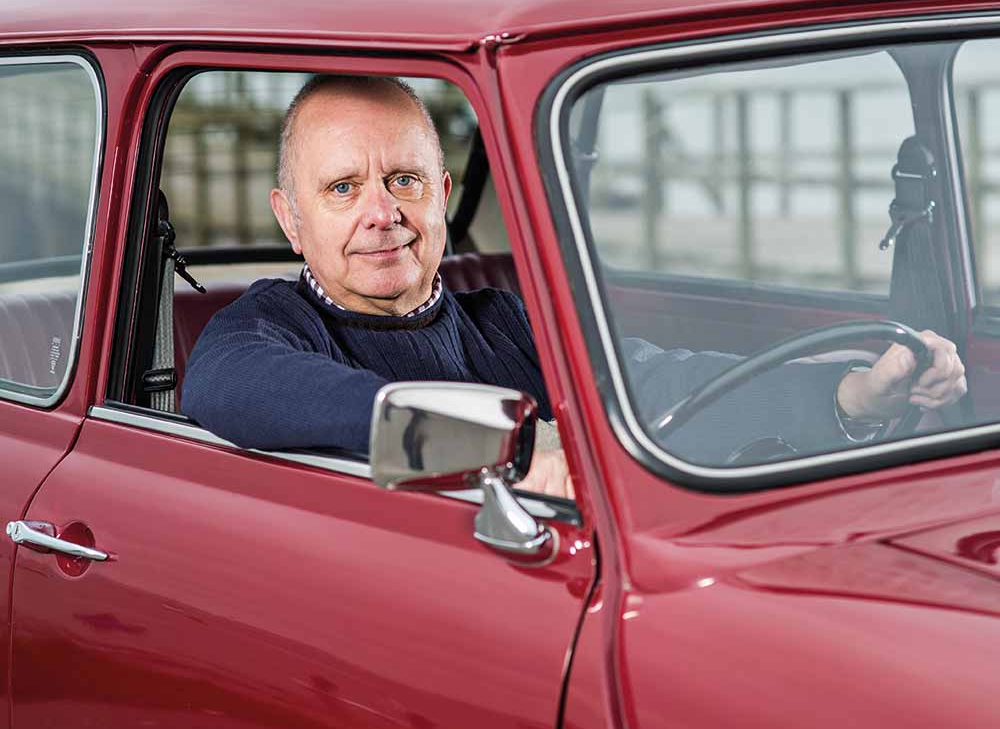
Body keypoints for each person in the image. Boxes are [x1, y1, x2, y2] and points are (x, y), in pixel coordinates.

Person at [181, 75, 967, 498]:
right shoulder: (267, 330)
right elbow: (231, 389)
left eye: (403, 180)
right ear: (291, 219)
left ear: (444, 193)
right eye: (343, 189)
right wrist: (512, 444)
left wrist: (851, 395)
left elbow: (654, 382)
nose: (383, 214)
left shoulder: (505, 322)